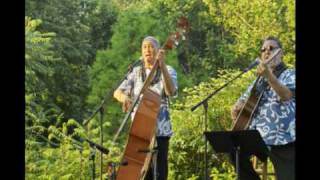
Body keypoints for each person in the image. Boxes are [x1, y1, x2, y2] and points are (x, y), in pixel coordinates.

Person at [230, 36, 295, 180]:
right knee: (233, 149)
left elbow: (287, 95)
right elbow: (241, 105)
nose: (267, 52)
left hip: (283, 138)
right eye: (263, 49)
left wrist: (269, 76)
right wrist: (237, 110)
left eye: (271, 48)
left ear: (281, 53)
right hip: (258, 137)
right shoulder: (257, 80)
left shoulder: (290, 74)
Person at [113, 36, 178, 180]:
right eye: (144, 47)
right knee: (138, 173)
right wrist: (126, 98)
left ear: (158, 50)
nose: (148, 50)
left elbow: (171, 92)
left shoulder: (169, 70)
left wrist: (162, 67)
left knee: (159, 173)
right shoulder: (135, 72)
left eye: (151, 46)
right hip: (139, 130)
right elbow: (117, 92)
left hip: (160, 131)